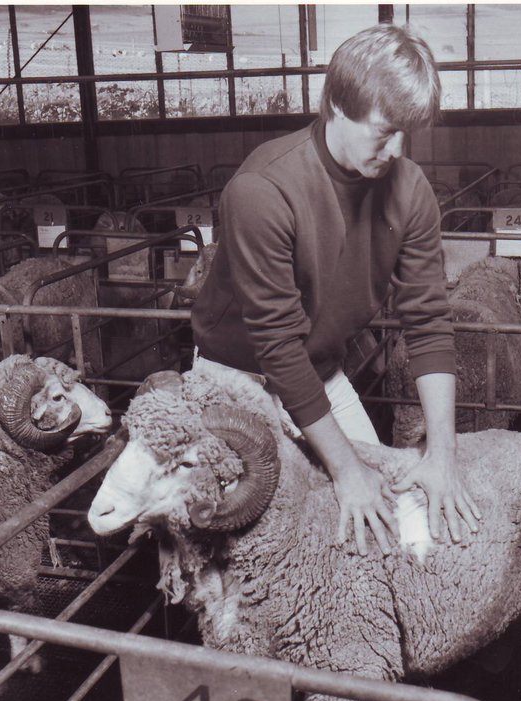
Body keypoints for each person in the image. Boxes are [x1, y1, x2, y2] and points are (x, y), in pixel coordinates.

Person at [190, 23, 480, 554]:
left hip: (320, 372)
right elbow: (276, 345)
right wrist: (346, 467)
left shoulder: (410, 190)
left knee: (376, 522)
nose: (396, 150)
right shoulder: (263, 190)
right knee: (241, 544)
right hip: (235, 378)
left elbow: (428, 320)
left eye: (407, 134)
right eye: (384, 130)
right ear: (337, 108)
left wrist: (443, 451)